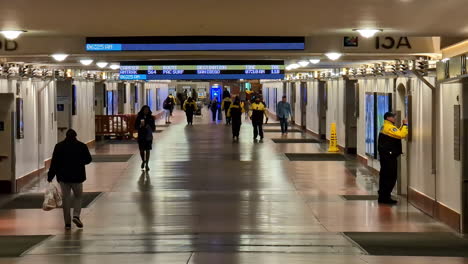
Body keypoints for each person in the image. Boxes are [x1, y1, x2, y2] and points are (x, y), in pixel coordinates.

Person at [47, 129, 92, 230]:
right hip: (78, 176)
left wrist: (50, 176)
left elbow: (54, 162)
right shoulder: (81, 146)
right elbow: (88, 159)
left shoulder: (59, 146)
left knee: (66, 198)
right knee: (78, 196)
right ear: (76, 136)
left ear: (66, 136)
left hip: (63, 177)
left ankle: (67, 223)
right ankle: (76, 215)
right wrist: (80, 162)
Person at [377, 112, 408, 204]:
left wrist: (402, 125)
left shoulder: (386, 126)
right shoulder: (389, 127)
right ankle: (385, 197)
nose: (394, 118)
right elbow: (401, 135)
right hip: (389, 157)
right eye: (393, 117)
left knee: (384, 176)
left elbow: (396, 133)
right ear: (388, 118)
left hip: (385, 156)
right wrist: (405, 125)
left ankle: (383, 196)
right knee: (390, 176)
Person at [135, 105, 156, 171]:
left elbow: (153, 128)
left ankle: (147, 164)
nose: (146, 111)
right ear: (143, 110)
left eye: (147, 110)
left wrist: (149, 126)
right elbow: (135, 126)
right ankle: (143, 160)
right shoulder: (139, 117)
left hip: (148, 136)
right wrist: (140, 126)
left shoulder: (151, 118)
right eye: (145, 110)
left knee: (147, 150)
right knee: (141, 150)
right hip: (141, 135)